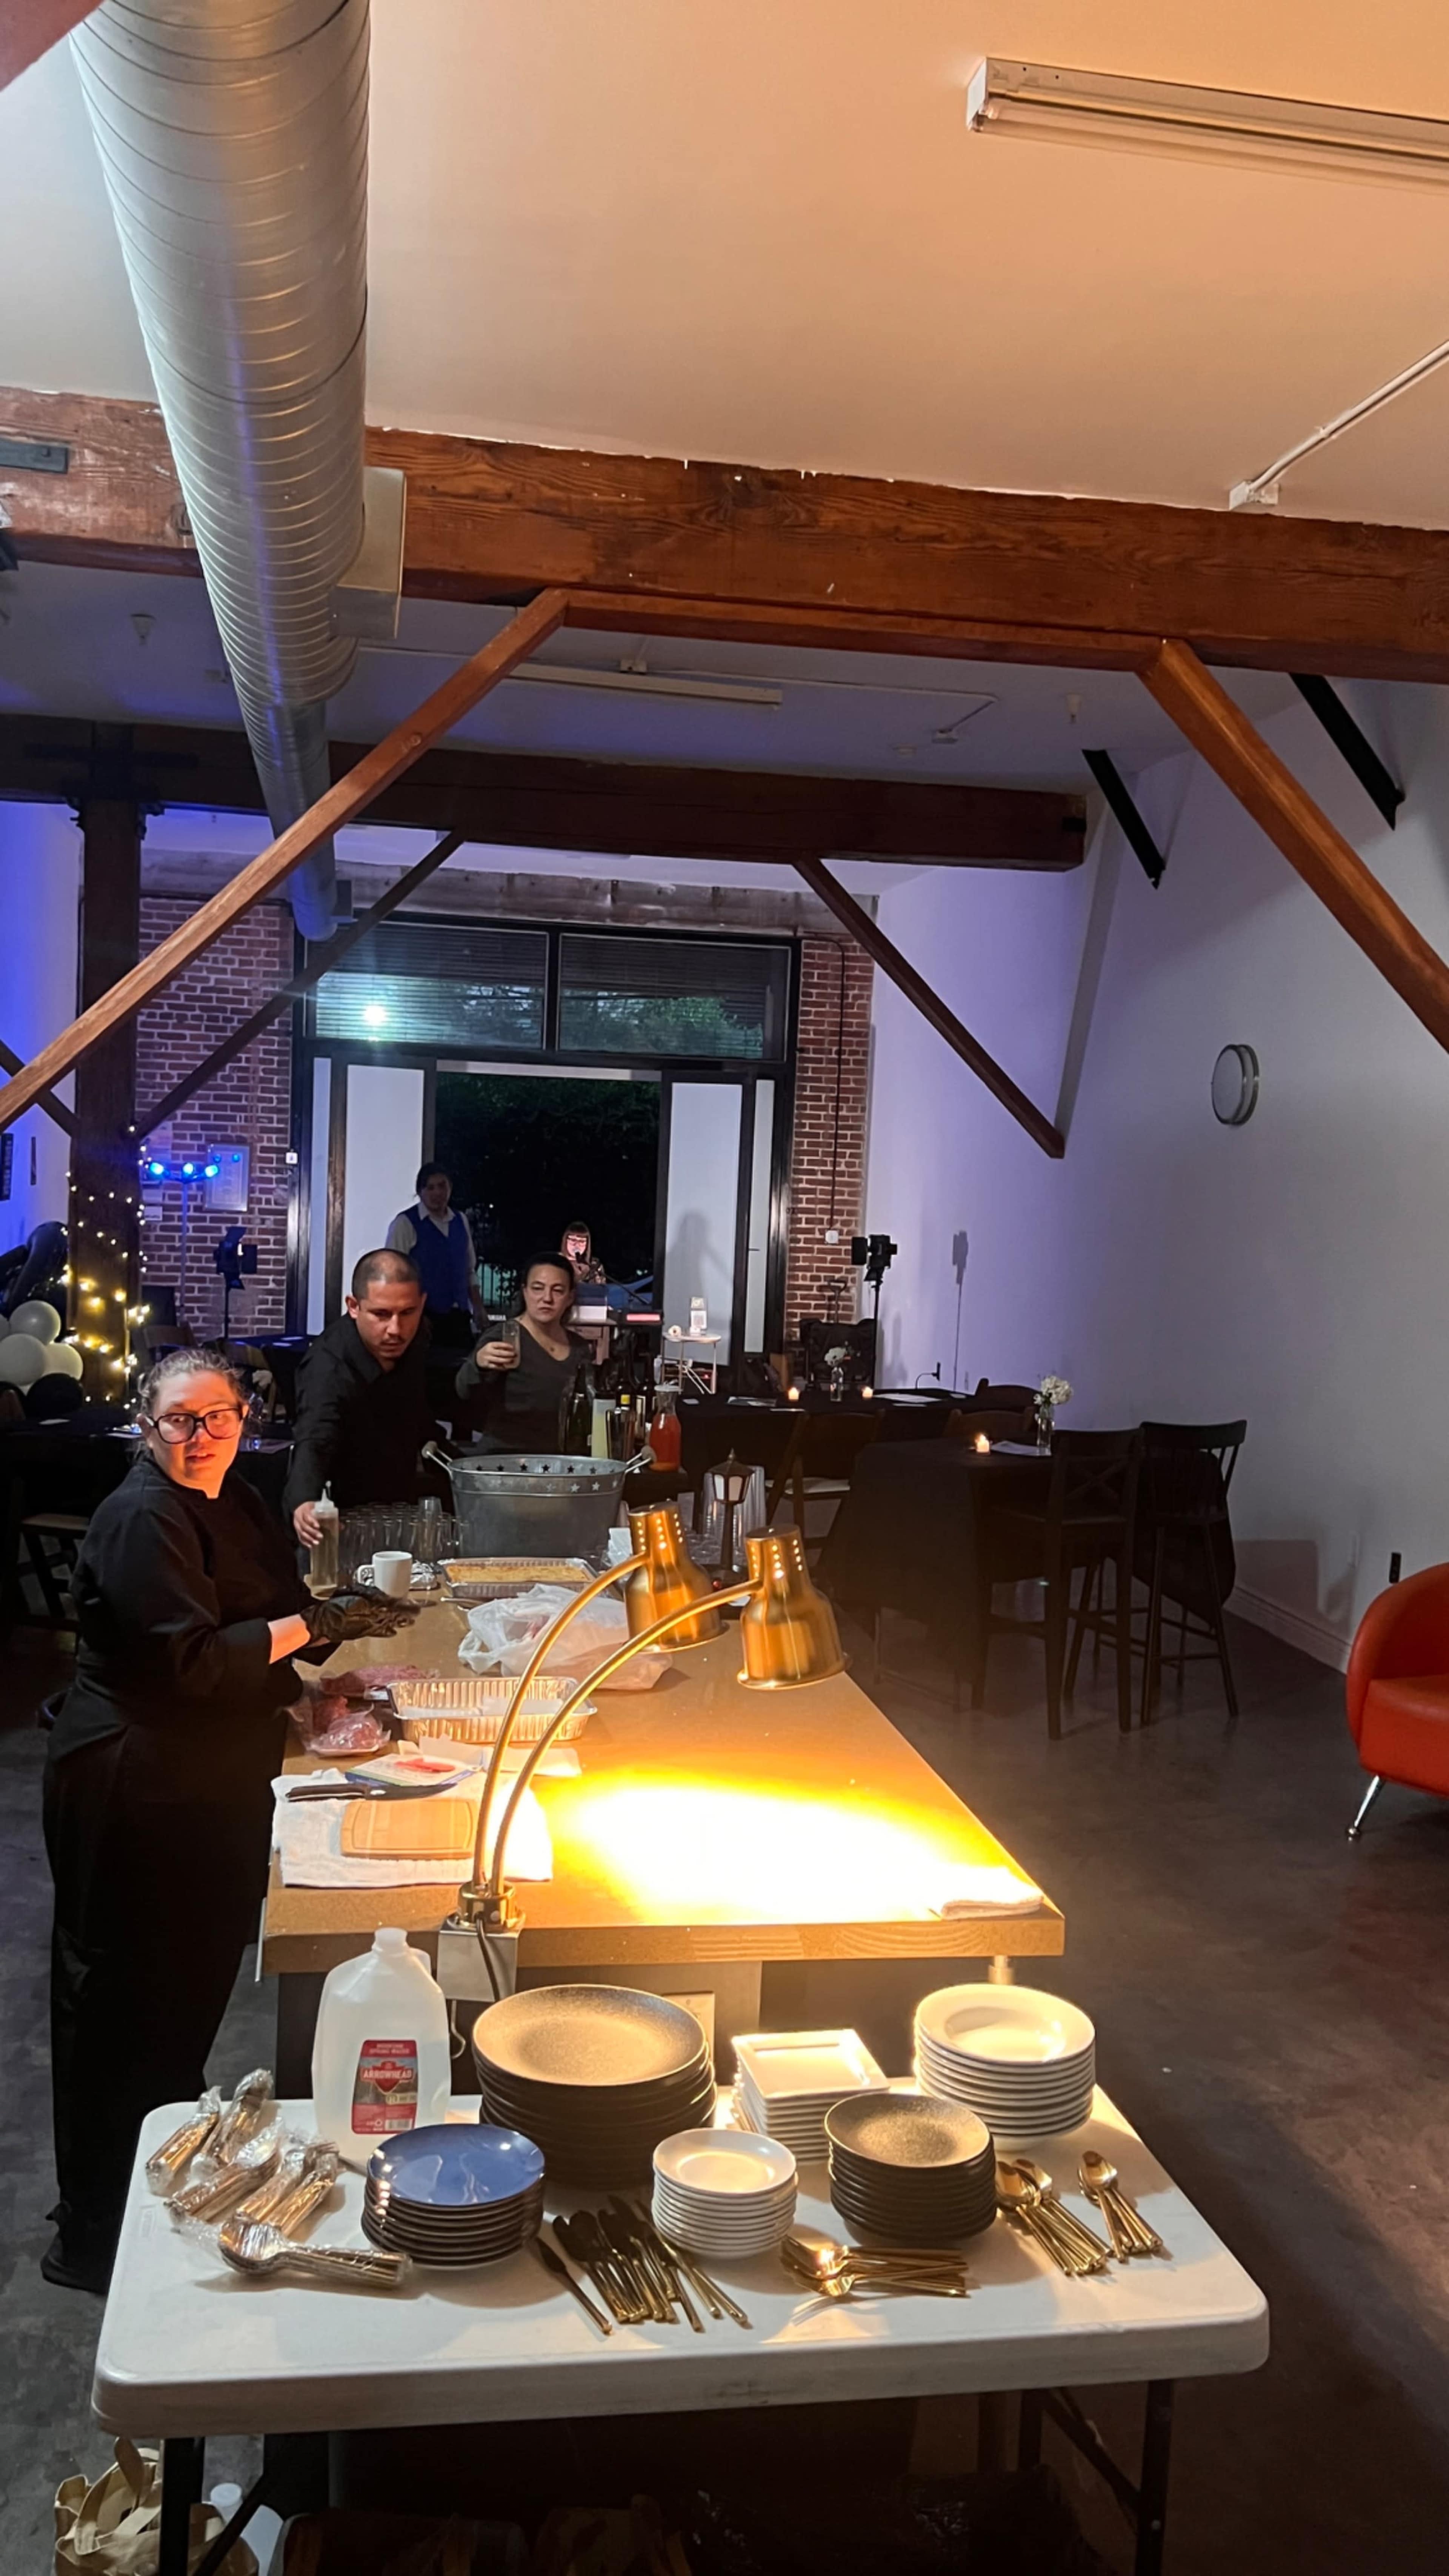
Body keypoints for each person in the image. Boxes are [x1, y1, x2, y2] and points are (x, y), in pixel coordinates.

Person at [42, 1349, 319, 2291]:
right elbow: (196, 1664)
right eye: (179, 1421)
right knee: (122, 2002)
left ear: (243, 1415)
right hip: (130, 1782)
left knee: (186, 1988)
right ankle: (94, 2232)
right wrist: (308, 1632)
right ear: (145, 1423)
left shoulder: (232, 1494)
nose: (201, 1437)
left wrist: (305, 1672)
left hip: (205, 1779)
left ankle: (154, 2184)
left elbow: (272, 1604)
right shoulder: (140, 1517)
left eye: (218, 1416)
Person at [284, 1249, 436, 1547]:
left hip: (398, 1507)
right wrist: (304, 1500)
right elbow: (315, 1437)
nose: (396, 1329)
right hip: (336, 1517)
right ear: (354, 1307)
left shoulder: (420, 1336)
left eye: (408, 1312)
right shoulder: (327, 1366)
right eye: (381, 1314)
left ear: (422, 1304)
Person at [454, 1250, 594, 1452]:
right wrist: (478, 1364)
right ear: (525, 1291)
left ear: (570, 1297)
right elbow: (463, 1390)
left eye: (558, 1290)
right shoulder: (504, 1337)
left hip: (560, 1465)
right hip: (505, 1461)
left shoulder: (580, 1348)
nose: (547, 1298)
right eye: (538, 1288)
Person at [387, 1162, 484, 1351]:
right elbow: (395, 1275)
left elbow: (469, 1270)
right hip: (423, 1318)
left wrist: (478, 1308)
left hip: (459, 1315)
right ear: (420, 1191)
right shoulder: (406, 1223)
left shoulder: (460, 1220)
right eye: (430, 1187)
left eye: (442, 1186)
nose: (437, 1193)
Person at [560, 1219, 610, 1364]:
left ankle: (595, 1376)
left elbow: (600, 1290)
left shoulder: (594, 1265)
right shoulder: (558, 1261)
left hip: (589, 1314)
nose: (577, 1245)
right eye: (573, 1240)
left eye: (582, 1242)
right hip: (563, 1315)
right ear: (566, 1241)